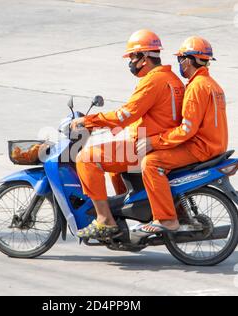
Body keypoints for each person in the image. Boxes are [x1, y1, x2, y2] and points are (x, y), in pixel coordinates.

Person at [70, 29, 185, 239]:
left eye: (132, 56)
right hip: (158, 141)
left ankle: (105, 220)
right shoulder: (171, 79)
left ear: (144, 58)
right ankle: (124, 214)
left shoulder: (153, 81)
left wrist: (89, 121)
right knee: (113, 168)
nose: (130, 61)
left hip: (147, 145)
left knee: (86, 158)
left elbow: (126, 114)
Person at [135, 36, 229, 234]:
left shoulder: (196, 88)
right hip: (215, 145)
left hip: (200, 148)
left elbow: (186, 129)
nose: (179, 64)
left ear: (188, 60)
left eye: (180, 59)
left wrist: (154, 142)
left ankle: (166, 219)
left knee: (151, 164)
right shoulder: (213, 85)